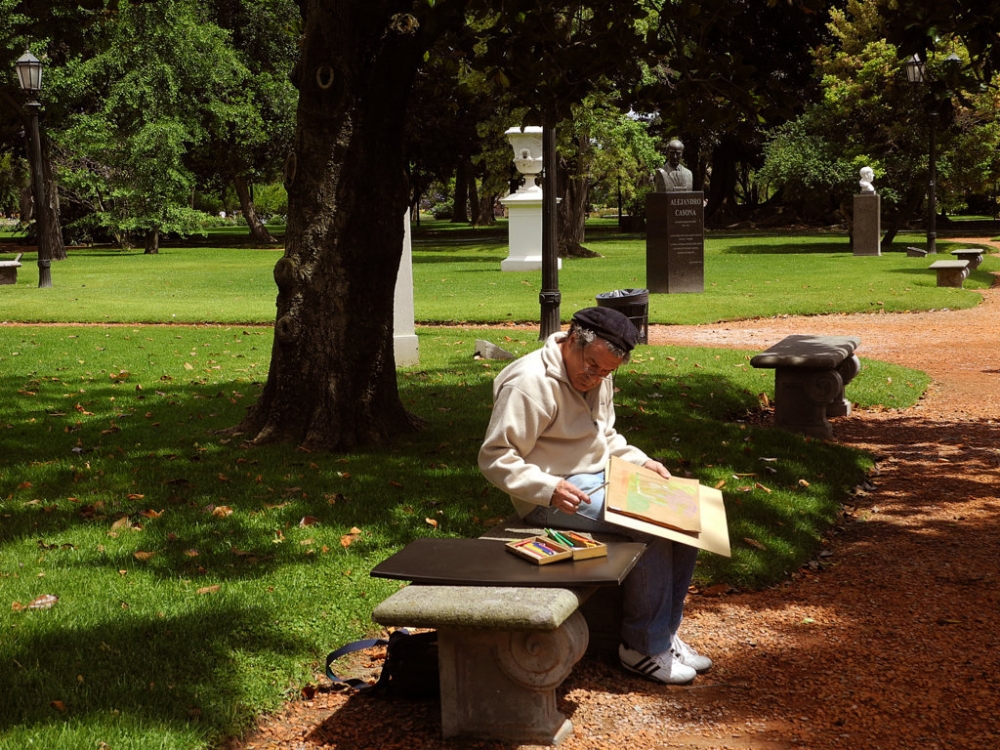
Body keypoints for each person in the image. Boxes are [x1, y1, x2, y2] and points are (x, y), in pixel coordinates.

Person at [478, 306, 711, 685]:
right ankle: (641, 649)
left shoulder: (595, 375)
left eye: (606, 372)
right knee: (650, 526)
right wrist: (547, 489)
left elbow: (604, 438)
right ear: (573, 339)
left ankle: (664, 637)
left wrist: (640, 461)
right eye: (592, 366)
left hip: (599, 480)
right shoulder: (529, 383)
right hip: (551, 497)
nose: (596, 378)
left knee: (687, 516)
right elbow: (495, 457)